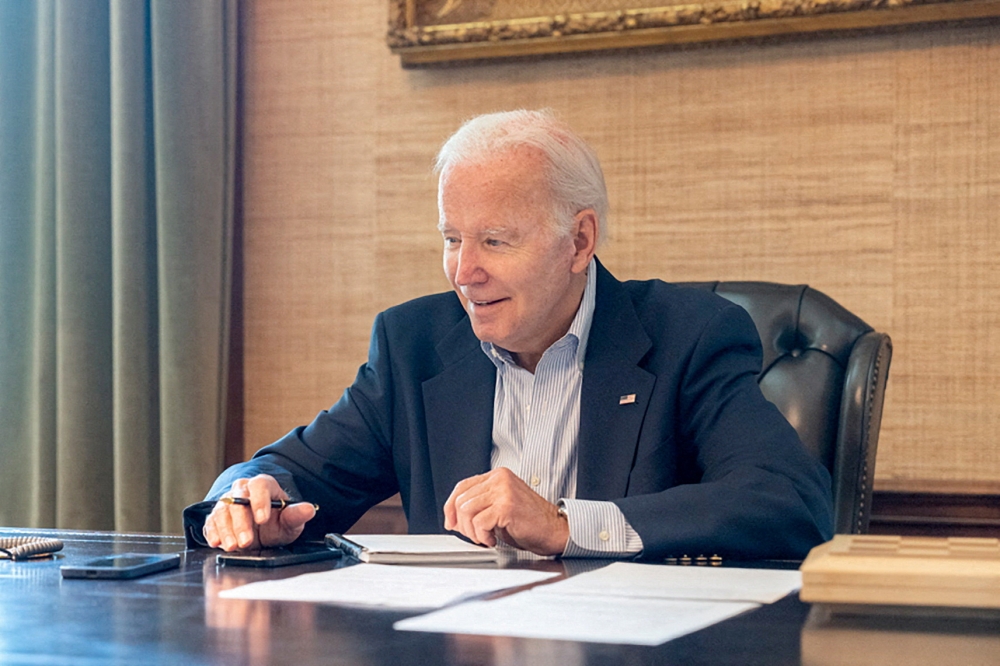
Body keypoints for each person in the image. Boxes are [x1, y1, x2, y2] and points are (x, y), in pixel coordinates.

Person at [186, 109, 833, 560]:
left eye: (495, 241)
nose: (464, 273)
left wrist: (562, 525)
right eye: (451, 239)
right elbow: (284, 469)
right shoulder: (414, 344)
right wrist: (248, 501)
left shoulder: (689, 336)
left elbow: (788, 502)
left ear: (579, 242)